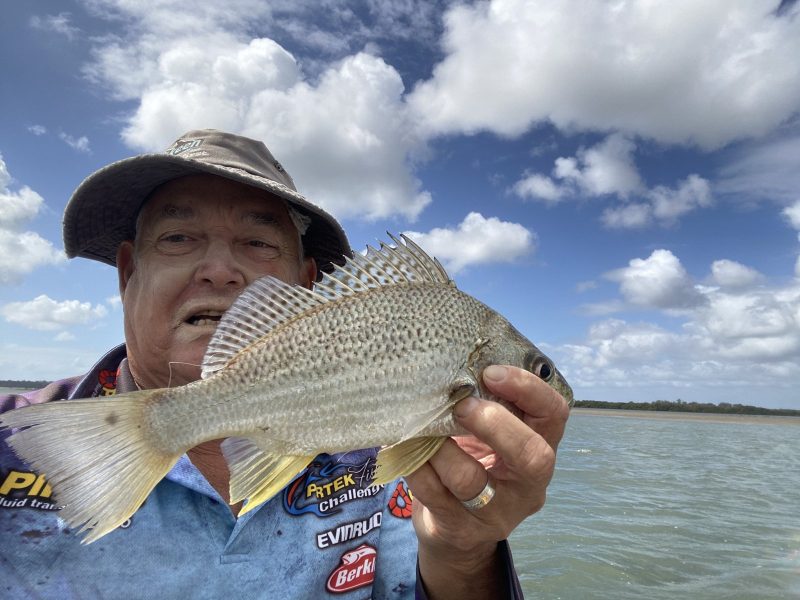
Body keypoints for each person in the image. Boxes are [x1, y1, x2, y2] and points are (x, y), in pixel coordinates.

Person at [0, 129, 571, 599]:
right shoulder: (9, 445)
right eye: (177, 237)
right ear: (127, 274)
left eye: (258, 243)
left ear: (305, 287)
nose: (219, 269)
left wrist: (464, 550)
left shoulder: (412, 467)